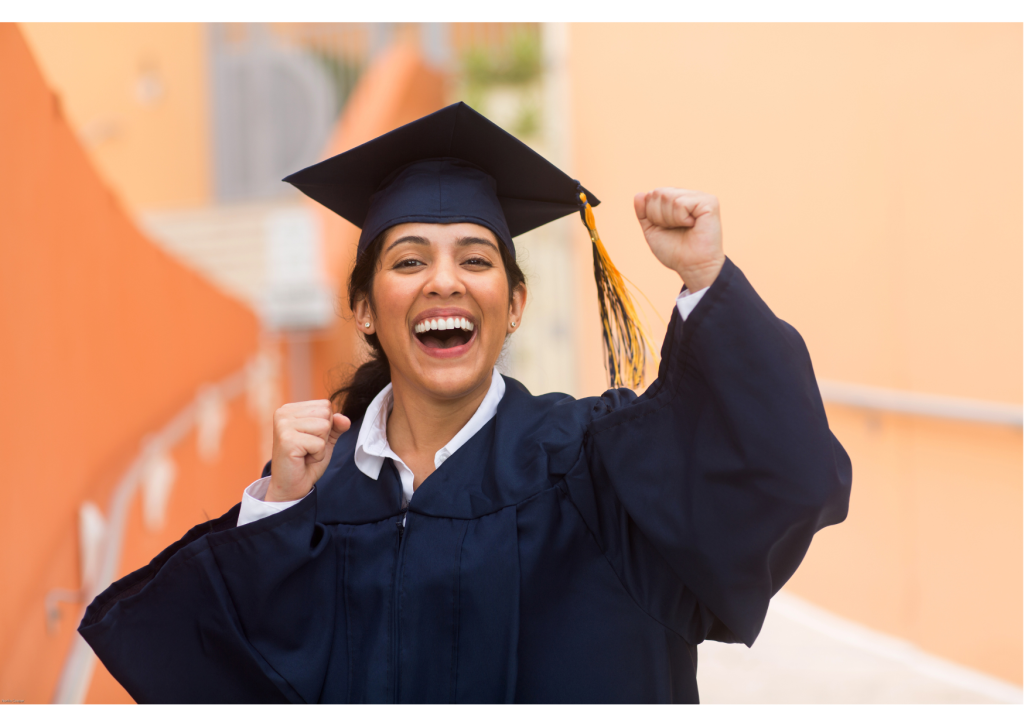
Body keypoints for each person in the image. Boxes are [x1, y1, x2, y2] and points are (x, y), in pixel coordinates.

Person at [79, 102, 852, 704]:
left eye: (475, 260)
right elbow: (221, 680)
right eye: (410, 260)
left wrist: (705, 281)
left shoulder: (598, 466)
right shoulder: (314, 501)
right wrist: (275, 513)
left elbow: (785, 475)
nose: (444, 281)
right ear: (364, 311)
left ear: (512, 305)